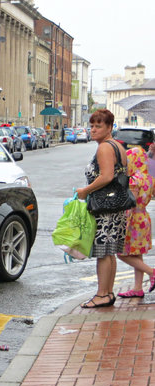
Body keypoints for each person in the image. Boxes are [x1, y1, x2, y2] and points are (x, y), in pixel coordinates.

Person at [76, 109, 128, 308]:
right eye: (92, 126)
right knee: (109, 252)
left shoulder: (105, 148)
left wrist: (85, 190)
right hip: (117, 205)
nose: (93, 130)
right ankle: (107, 293)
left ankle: (101, 294)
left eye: (98, 126)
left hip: (106, 206)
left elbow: (106, 176)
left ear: (109, 127)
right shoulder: (118, 146)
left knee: (103, 251)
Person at [117, 147, 155, 297]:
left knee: (122, 253)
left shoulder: (133, 180)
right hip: (144, 218)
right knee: (137, 254)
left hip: (133, 220)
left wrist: (123, 224)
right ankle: (138, 288)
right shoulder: (149, 179)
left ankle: (152, 272)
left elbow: (130, 204)